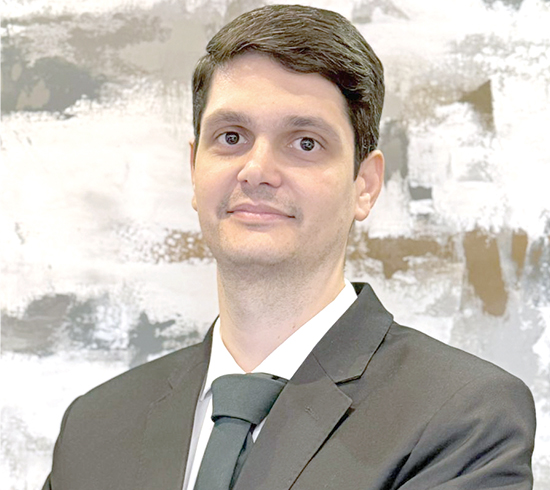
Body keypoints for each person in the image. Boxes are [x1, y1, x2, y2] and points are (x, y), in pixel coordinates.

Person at [42, 5, 536, 490]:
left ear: (365, 185)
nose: (256, 170)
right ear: (194, 170)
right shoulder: (94, 427)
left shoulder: (463, 418)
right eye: (231, 137)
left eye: (305, 143)